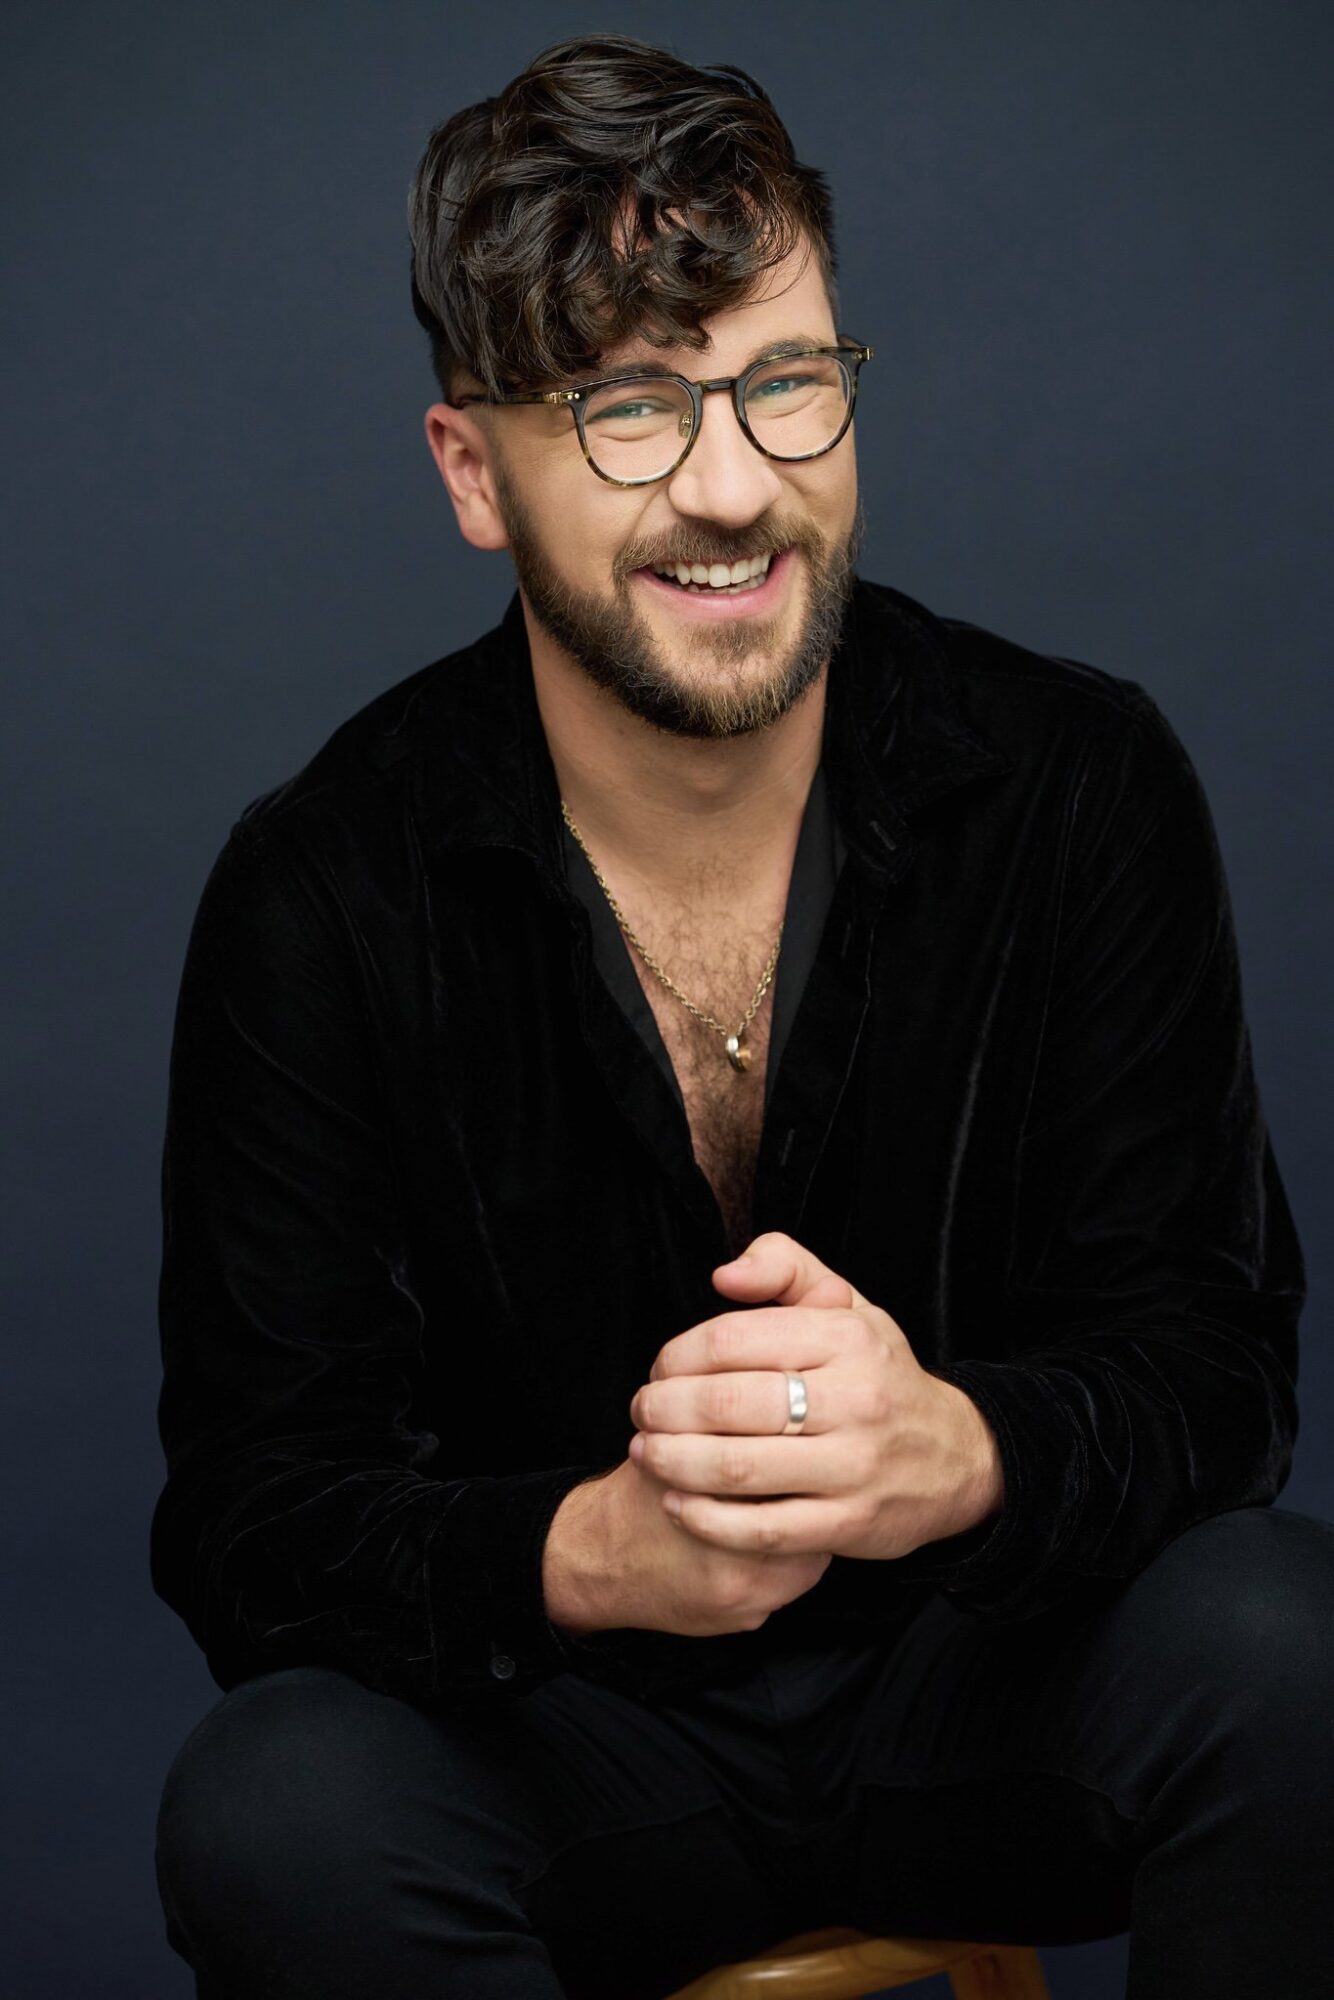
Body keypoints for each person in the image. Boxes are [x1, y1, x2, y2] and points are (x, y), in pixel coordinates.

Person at [150, 32, 1334, 2000]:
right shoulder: (322, 888)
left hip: (983, 1691)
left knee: (1294, 1649)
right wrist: (600, 1548)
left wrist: (949, 1450)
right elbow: (257, 1522)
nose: (733, 488)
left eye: (785, 383)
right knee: (272, 1807)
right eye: (625, 409)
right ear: (470, 470)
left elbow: (1216, 1368)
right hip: (574, 1746)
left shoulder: (1074, 781)